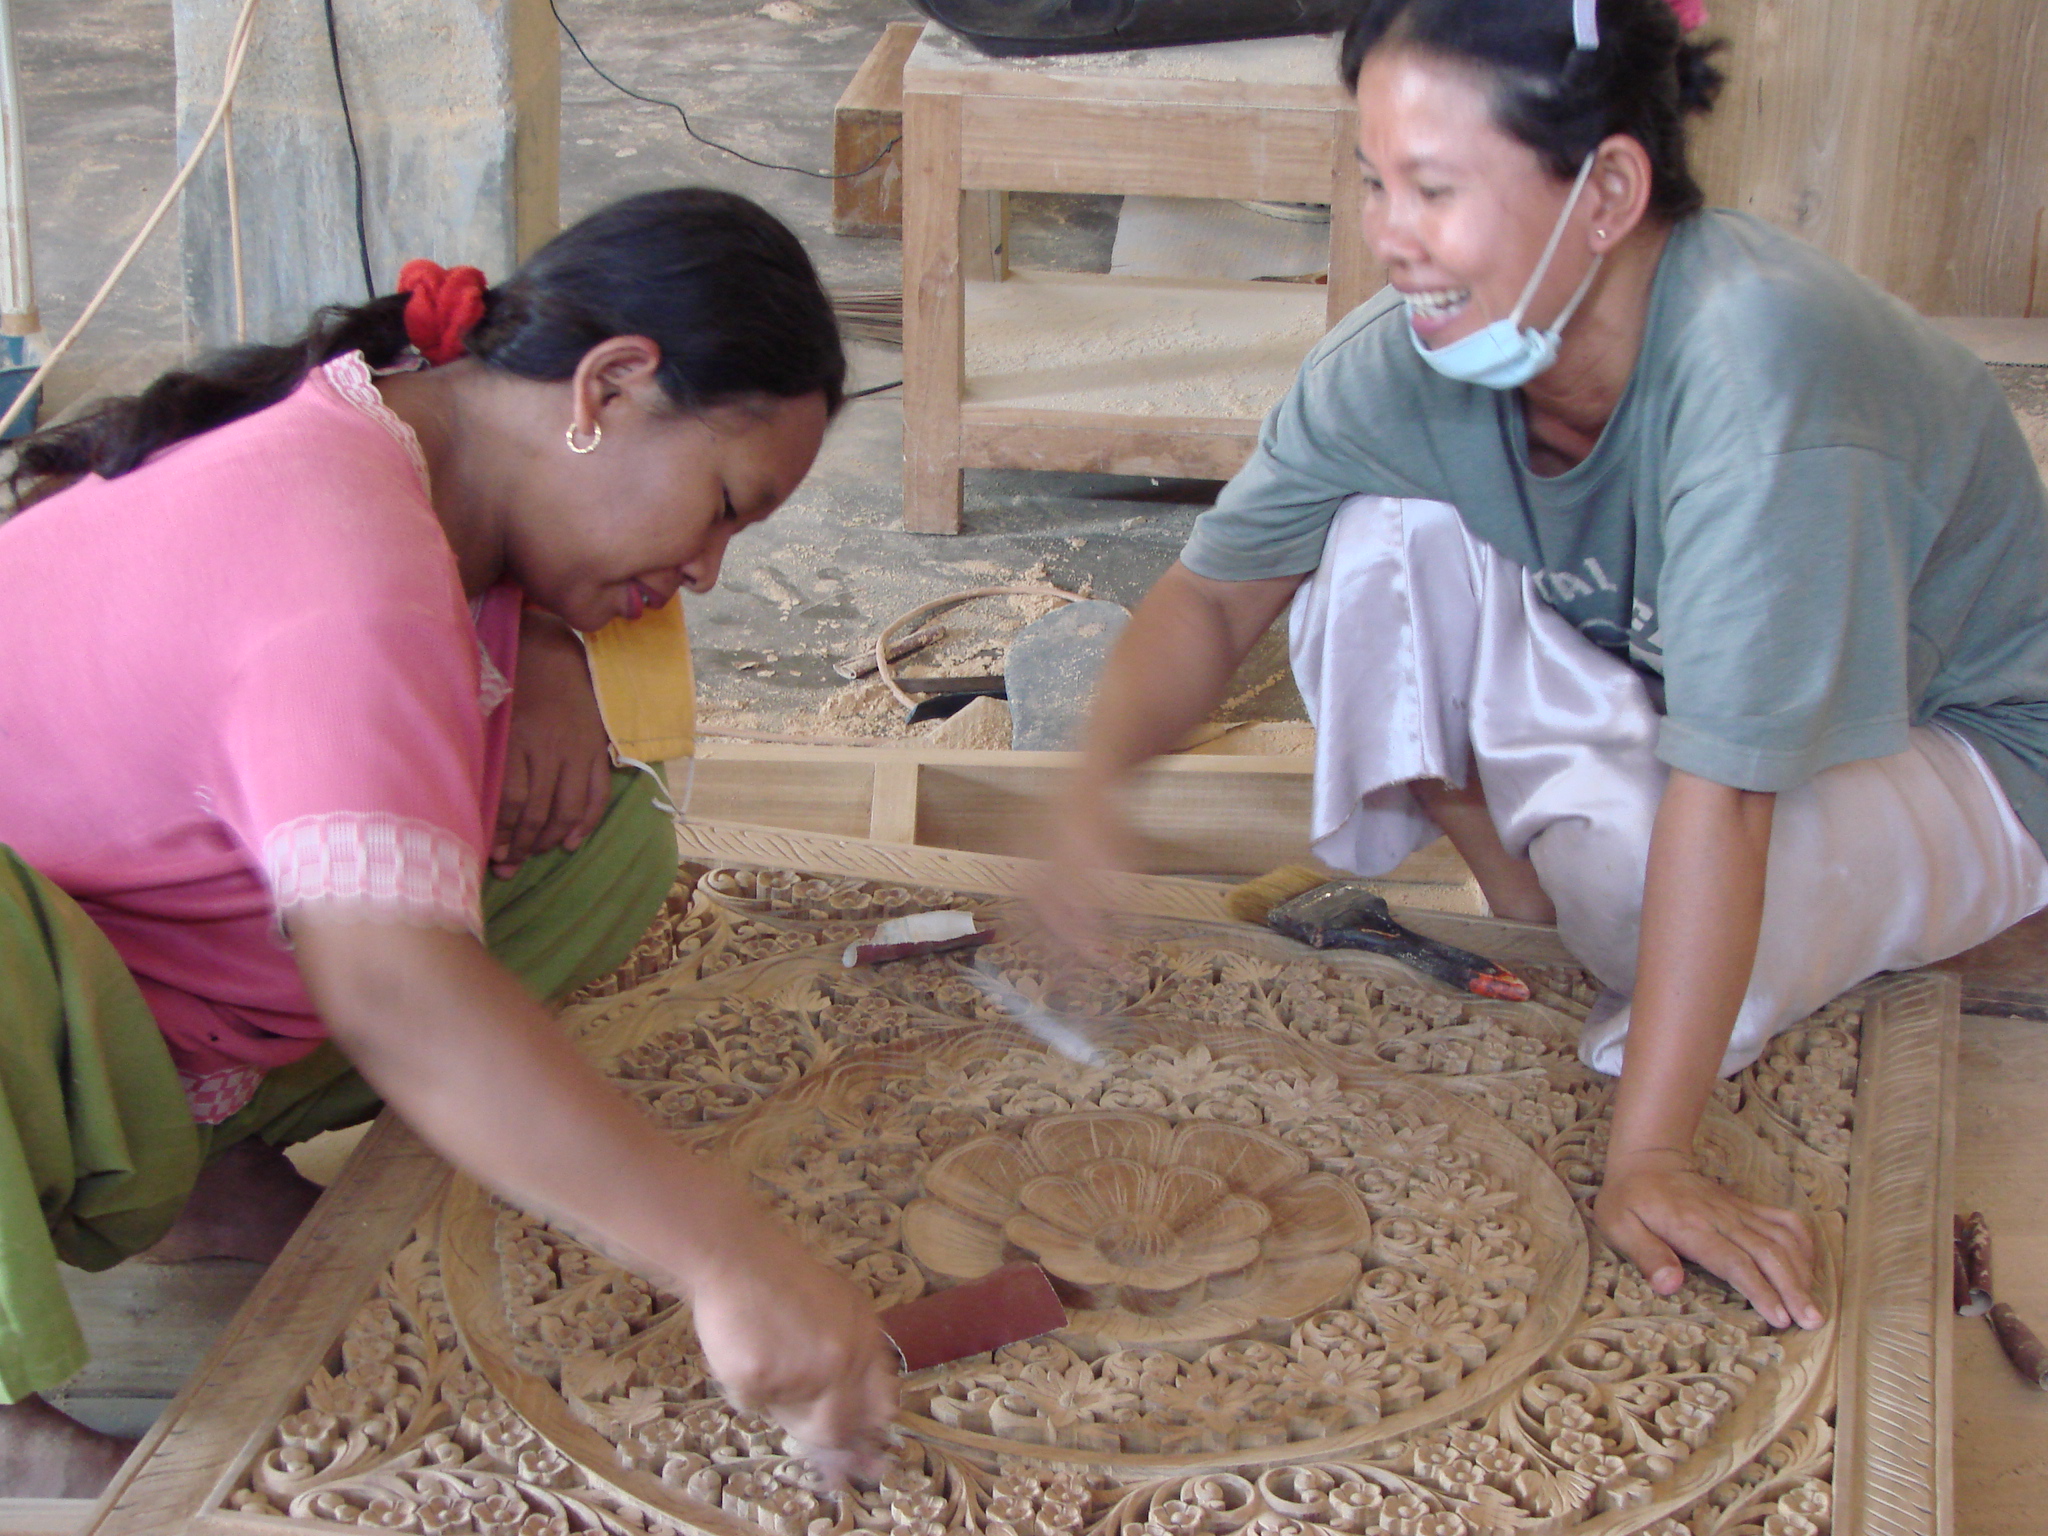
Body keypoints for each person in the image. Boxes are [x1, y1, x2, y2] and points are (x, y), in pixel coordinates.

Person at [1044, 0, 2048, 1336]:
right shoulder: (1409, 362)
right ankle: (1527, 897)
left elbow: (1727, 804)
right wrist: (1088, 799)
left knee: (1646, 908)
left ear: (1609, 193)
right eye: (1373, 181)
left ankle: (1612, 915)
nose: (1390, 235)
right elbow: (1216, 603)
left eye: (1436, 189)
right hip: (1694, 694)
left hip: (1966, 741)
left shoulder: (1762, 381)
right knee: (1376, 539)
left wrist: (1651, 1157)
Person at [0, 188, 898, 1496]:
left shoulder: (410, 449)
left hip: (125, 968)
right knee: (406, 952)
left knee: (594, 842)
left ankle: (195, 1168)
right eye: (721, 505)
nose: (708, 570)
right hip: (32, 986)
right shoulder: (340, 561)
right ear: (607, 388)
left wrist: (552, 643)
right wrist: (726, 1255)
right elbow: (392, 987)